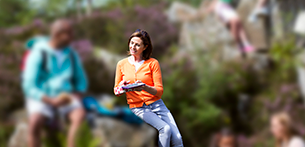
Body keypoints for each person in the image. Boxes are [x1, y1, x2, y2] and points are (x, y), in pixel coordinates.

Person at [22, 19, 88, 147]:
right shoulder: (38, 53)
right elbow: (28, 86)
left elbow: (81, 79)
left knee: (79, 115)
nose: (72, 37)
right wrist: (49, 100)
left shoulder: (71, 54)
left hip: (65, 94)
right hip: (42, 96)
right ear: (58, 35)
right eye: (69, 34)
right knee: (35, 122)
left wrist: (78, 94)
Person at [114, 29, 184, 147]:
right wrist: (122, 87)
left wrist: (145, 87)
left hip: (157, 104)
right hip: (138, 107)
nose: (133, 47)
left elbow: (159, 91)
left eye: (137, 45)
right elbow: (116, 90)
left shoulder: (153, 63)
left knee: (177, 139)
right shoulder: (121, 64)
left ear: (145, 47)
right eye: (131, 43)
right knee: (165, 129)